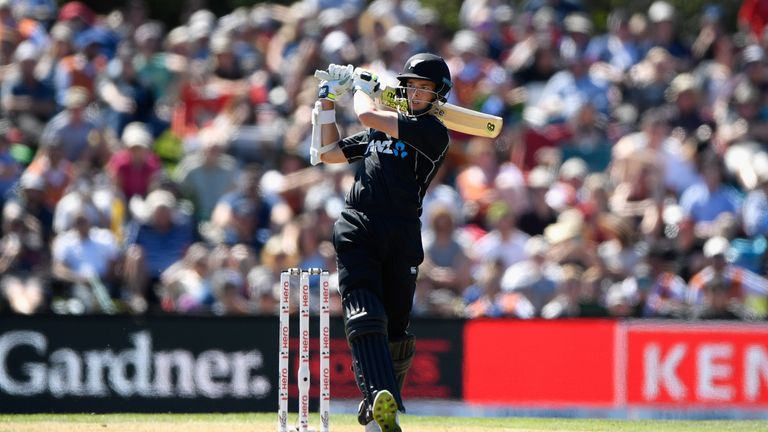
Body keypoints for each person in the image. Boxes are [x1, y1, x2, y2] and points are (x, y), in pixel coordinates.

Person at [313, 53, 453, 432]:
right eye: (411, 86)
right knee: (365, 313)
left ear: (438, 94)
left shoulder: (434, 133)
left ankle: (377, 411)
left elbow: (367, 116)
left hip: (403, 233)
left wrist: (361, 90)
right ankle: (379, 396)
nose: (416, 92)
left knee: (395, 330)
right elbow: (327, 153)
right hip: (358, 225)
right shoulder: (381, 131)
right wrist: (327, 98)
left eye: (425, 87)